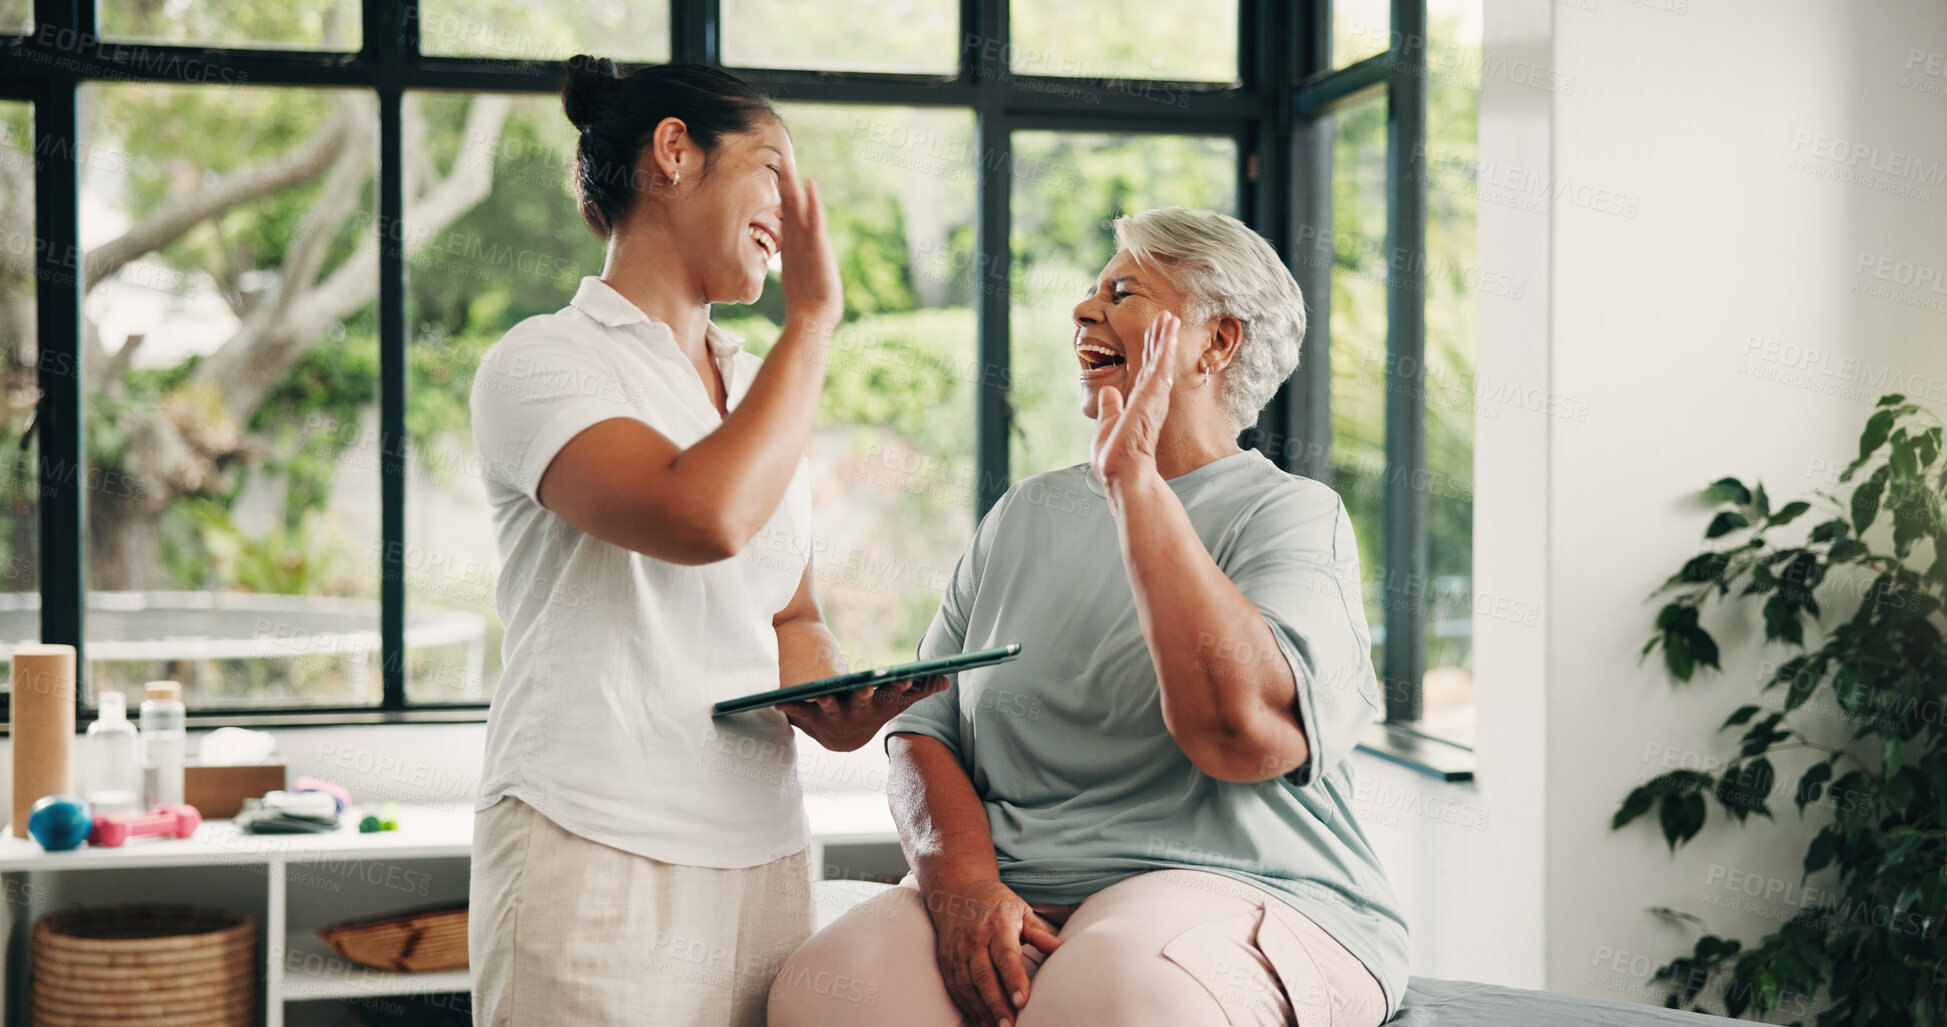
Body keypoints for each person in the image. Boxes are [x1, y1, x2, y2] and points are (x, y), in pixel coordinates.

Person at [769, 207, 1408, 1027]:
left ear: (1215, 344)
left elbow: (1244, 737)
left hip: (1250, 884)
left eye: (1122, 290)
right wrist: (962, 888)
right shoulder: (1027, 512)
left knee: (1107, 997)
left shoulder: (1289, 515)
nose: (1083, 309)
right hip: (1014, 886)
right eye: (1090, 289)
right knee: (829, 989)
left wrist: (1135, 486)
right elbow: (923, 730)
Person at [465, 56, 944, 1027]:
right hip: (595, 840)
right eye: (773, 167)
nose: (795, 205)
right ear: (673, 153)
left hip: (760, 849)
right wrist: (816, 318)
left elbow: (787, 606)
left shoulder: (755, 376)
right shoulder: (545, 361)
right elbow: (701, 518)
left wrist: (832, 700)